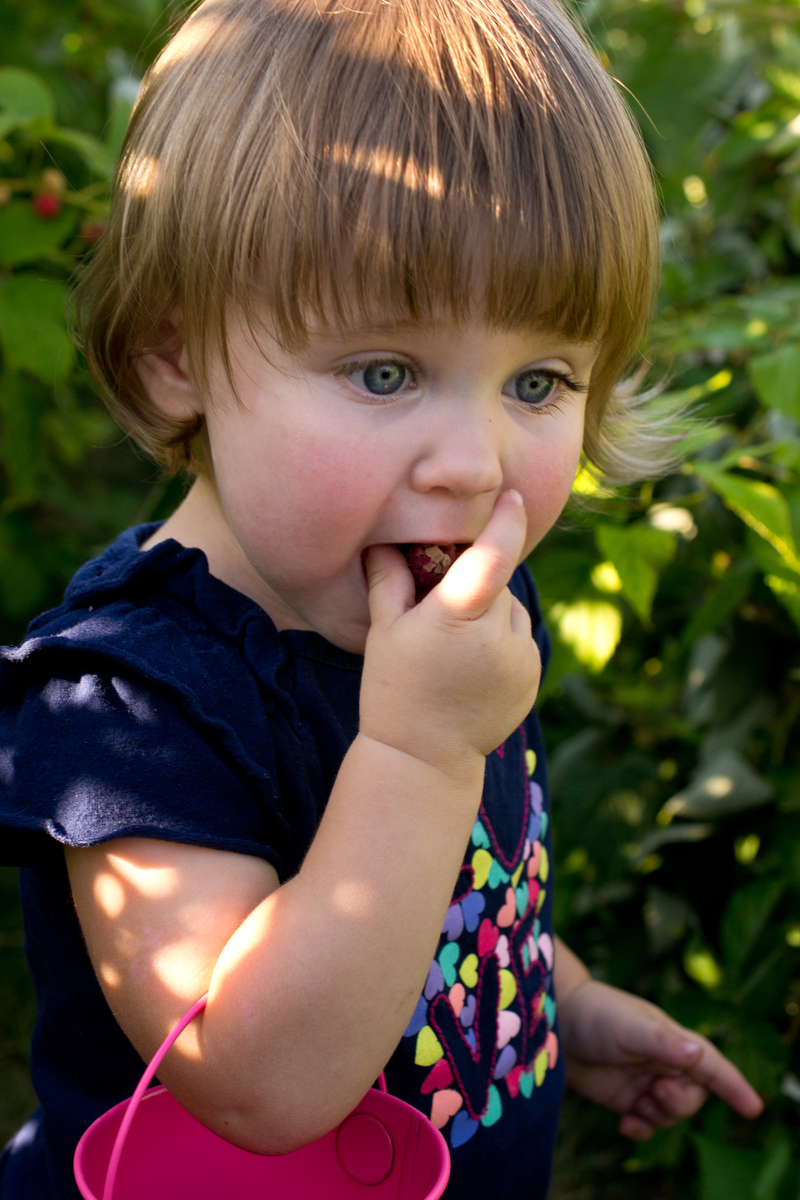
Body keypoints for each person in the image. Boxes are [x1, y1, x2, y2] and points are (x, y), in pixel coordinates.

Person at [0, 0, 763, 1196]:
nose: (473, 460)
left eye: (536, 379)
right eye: (383, 371)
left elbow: (453, 894)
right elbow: (256, 1080)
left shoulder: (436, 630)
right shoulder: (130, 708)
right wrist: (415, 750)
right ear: (177, 353)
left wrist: (555, 1002)